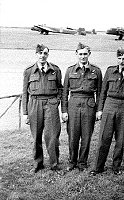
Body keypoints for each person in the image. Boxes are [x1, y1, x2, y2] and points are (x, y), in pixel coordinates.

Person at [90, 47, 124, 175]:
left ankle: (116, 167)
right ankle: (98, 167)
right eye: (119, 58)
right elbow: (102, 92)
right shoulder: (110, 71)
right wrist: (100, 110)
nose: (121, 61)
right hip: (110, 105)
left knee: (120, 140)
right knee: (104, 138)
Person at [62, 42, 102, 172]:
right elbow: (64, 92)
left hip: (89, 103)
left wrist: (99, 110)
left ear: (89, 54)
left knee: (86, 135)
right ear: (76, 54)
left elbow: (100, 93)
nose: (83, 57)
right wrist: (64, 110)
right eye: (80, 54)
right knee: (73, 135)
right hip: (73, 103)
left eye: (85, 54)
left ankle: (82, 162)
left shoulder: (96, 71)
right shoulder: (70, 70)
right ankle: (72, 161)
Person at [22, 44, 63, 173]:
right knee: (36, 136)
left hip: (51, 104)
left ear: (48, 55)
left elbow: (60, 88)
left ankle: (54, 163)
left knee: (52, 135)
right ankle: (38, 163)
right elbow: (25, 93)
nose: (42, 56)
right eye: (40, 53)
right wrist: (25, 113)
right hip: (34, 104)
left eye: (45, 53)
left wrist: (57, 101)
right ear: (36, 54)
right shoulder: (29, 71)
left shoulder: (55, 70)